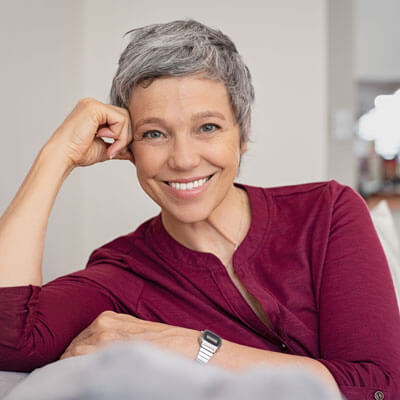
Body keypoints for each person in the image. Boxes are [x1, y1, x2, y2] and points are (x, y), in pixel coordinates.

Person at [0, 19, 398, 400]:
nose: (184, 159)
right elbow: (10, 339)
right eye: (154, 134)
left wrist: (197, 347)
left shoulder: (327, 212)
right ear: (128, 149)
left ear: (242, 136)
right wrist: (57, 156)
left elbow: (381, 387)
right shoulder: (121, 272)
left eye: (207, 127)